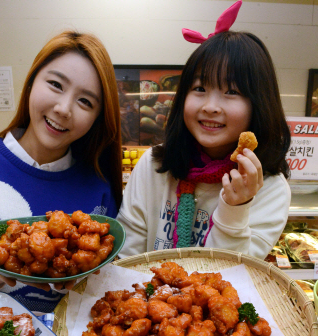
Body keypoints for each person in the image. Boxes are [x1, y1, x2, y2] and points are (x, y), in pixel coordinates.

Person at [0, 30, 122, 313]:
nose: (63, 109)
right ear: (31, 82)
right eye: (55, 84)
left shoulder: (98, 187)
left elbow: (99, 291)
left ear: (97, 119)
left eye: (85, 101)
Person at [117, 2, 291, 260]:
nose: (210, 107)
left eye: (232, 92)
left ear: (259, 104)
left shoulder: (269, 189)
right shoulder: (153, 166)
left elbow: (234, 277)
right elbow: (126, 259)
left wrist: (236, 207)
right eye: (199, 88)